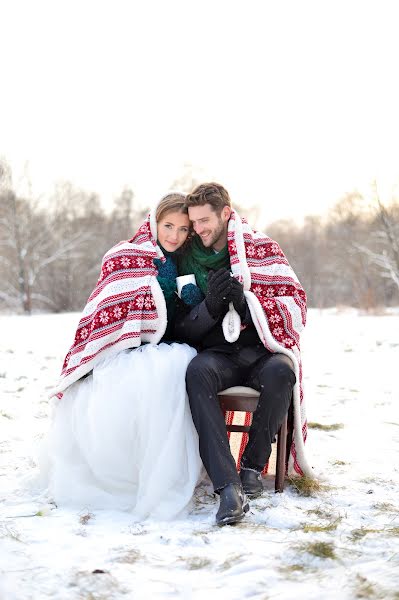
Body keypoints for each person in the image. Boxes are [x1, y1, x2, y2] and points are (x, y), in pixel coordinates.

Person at [40, 192, 203, 520]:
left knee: (180, 366)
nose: (174, 235)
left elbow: (188, 301)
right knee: (154, 376)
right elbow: (105, 305)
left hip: (164, 347)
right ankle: (123, 477)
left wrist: (196, 294)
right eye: (168, 225)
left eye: (183, 229)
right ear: (153, 222)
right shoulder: (127, 254)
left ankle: (161, 472)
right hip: (123, 350)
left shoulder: (183, 263)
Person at [176, 182, 314, 526]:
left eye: (205, 220)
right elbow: (181, 328)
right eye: (194, 222)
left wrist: (246, 304)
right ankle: (228, 485)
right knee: (196, 371)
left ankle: (252, 466)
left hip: (259, 352)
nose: (199, 229)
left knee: (283, 370)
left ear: (226, 213)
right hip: (217, 354)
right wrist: (210, 307)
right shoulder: (188, 258)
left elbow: (294, 305)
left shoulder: (262, 248)